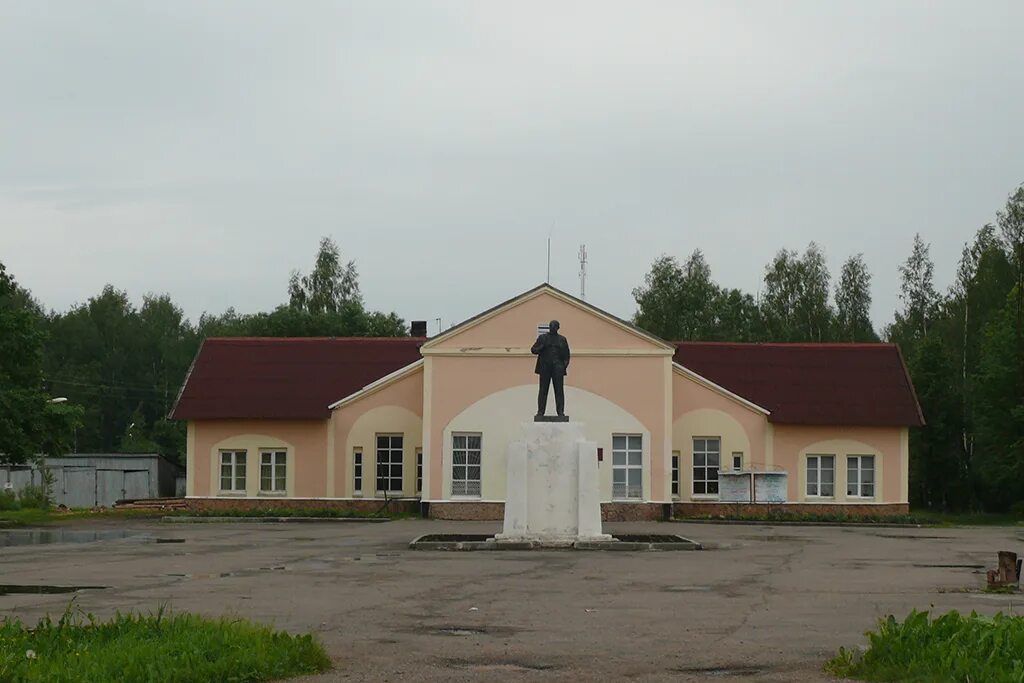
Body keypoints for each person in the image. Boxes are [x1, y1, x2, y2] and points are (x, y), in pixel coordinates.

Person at [531, 319, 570, 417]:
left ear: (558, 328)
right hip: (545, 367)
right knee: (543, 390)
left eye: (554, 326)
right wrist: (542, 347)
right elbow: (533, 350)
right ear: (549, 327)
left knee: (559, 391)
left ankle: (560, 412)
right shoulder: (542, 338)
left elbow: (566, 355)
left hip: (557, 367)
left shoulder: (562, 339)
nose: (553, 328)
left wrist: (563, 366)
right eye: (551, 326)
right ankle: (540, 412)